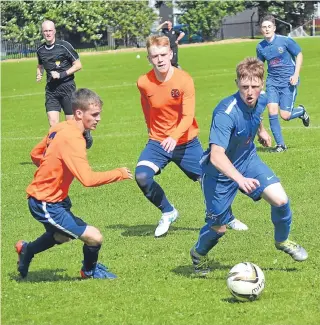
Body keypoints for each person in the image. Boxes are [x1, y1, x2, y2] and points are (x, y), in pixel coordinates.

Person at [190, 57, 308, 276]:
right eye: (245, 87)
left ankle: (282, 241)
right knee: (219, 228)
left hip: (248, 160)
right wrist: (240, 180)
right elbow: (216, 156)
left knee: (281, 200)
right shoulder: (225, 113)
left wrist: (261, 130)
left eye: (255, 86)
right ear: (237, 84)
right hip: (219, 174)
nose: (250, 92)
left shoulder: (261, 99)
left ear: (262, 84)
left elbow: (258, 112)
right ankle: (198, 254)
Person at [135, 35, 248, 238]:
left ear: (170, 54)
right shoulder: (143, 82)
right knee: (142, 176)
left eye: (163, 55)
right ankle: (168, 212)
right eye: (155, 56)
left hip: (186, 142)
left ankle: (227, 217)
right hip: (158, 142)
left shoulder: (184, 80)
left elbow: (188, 116)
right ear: (149, 58)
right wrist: (152, 132)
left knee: (209, 180)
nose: (159, 59)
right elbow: (146, 108)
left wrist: (174, 136)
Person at [15, 88, 133, 279]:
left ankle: (26, 250)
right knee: (94, 237)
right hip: (45, 202)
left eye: (99, 114)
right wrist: (118, 173)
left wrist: (52, 169)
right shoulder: (73, 139)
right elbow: (87, 180)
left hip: (54, 198)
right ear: (79, 113)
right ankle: (88, 271)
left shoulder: (60, 127)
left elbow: (36, 154)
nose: (99, 118)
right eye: (94, 114)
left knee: (62, 235)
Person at [256, 15, 310, 153]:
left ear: (274, 28)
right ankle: (281, 145)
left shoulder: (285, 41)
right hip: (272, 82)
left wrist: (296, 75)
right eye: (264, 27)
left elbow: (299, 55)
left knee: (285, 115)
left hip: (288, 81)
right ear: (261, 30)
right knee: (272, 111)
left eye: (269, 26)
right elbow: (260, 66)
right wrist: (259, 82)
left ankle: (301, 111)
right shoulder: (260, 47)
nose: (267, 29)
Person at [36, 20, 93, 149]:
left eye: (50, 30)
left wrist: (61, 75)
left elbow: (78, 65)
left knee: (71, 124)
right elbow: (40, 65)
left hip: (67, 88)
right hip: (51, 90)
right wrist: (39, 73)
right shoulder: (40, 50)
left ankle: (85, 133)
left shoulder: (64, 46)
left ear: (55, 31)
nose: (48, 33)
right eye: (45, 31)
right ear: (42, 33)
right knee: (53, 122)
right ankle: (58, 151)